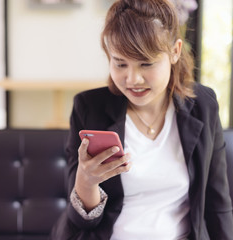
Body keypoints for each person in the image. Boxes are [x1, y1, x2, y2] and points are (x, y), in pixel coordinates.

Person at [50, 0, 233, 239]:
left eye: (146, 63)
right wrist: (86, 182)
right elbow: (81, 223)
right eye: (120, 64)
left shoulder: (203, 105)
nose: (132, 79)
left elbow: (217, 204)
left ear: (175, 52)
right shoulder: (89, 108)